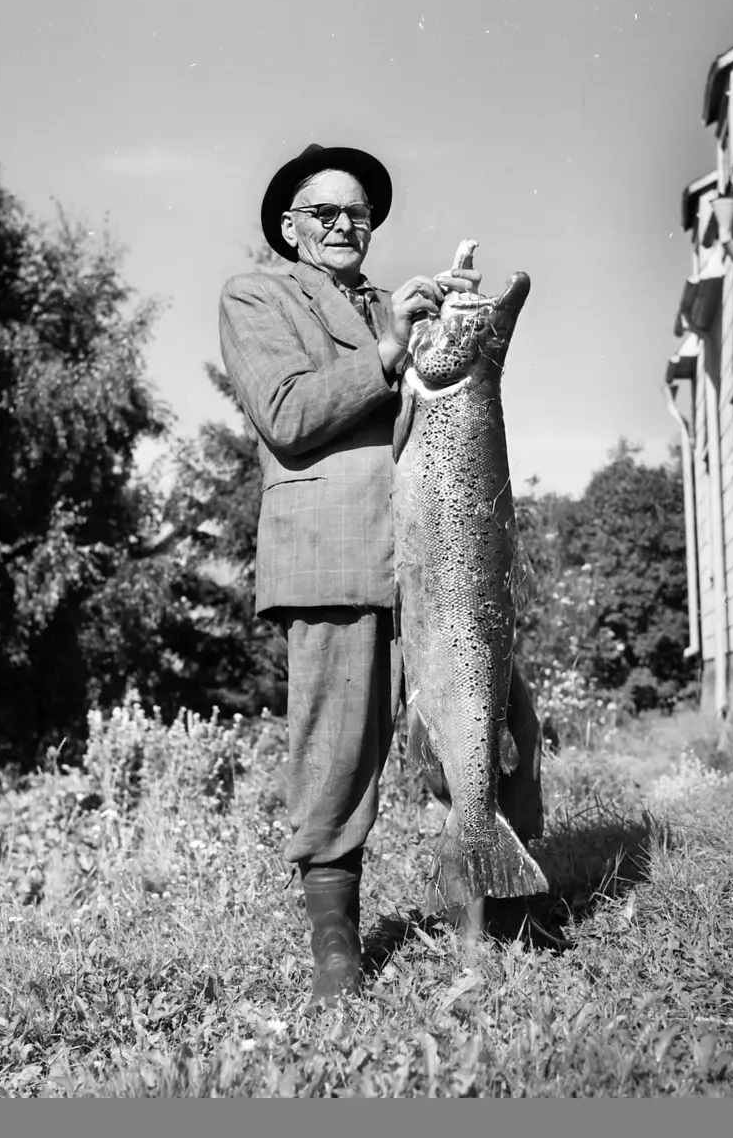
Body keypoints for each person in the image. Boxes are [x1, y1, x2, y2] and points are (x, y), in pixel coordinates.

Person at [218, 144, 483, 1010]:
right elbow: (289, 415)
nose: (345, 223)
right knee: (334, 755)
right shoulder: (256, 295)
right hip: (330, 553)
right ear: (290, 227)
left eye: (359, 211)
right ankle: (338, 947)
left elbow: (443, 408)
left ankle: (499, 910)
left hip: (435, 551)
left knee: (487, 720)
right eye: (325, 212)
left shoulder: (390, 304)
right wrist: (390, 349)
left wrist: (449, 324)